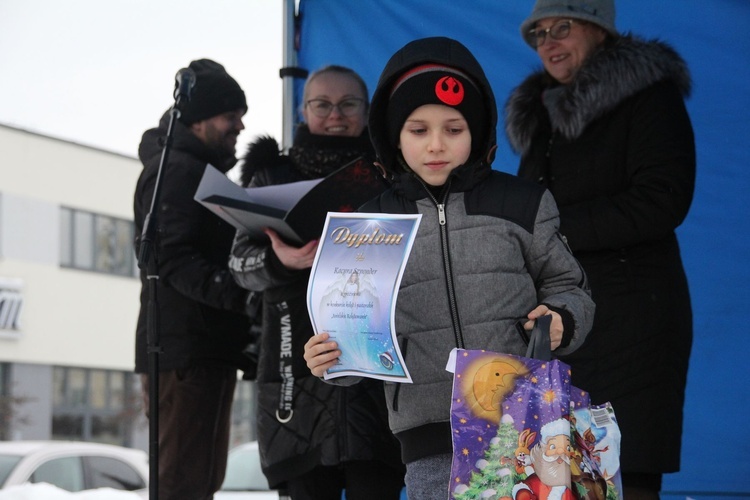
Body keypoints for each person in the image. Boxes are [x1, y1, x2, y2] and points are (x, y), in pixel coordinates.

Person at [304, 37, 595, 499]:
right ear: (394, 136)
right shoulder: (369, 224)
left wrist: (563, 317)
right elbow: (354, 324)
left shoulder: (523, 202)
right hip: (426, 436)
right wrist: (332, 357)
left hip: (523, 427)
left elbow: (568, 284)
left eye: (453, 129)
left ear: (476, 133)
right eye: (418, 130)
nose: (436, 145)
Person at [504, 1, 696, 498]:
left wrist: (553, 232)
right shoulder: (541, 115)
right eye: (537, 33)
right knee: (555, 478)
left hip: (636, 318)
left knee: (624, 475)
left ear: (600, 30)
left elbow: (662, 199)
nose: (548, 41)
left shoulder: (648, 95)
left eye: (561, 27)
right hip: (565, 324)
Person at [228, 65, 405, 500]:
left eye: (348, 104)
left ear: (366, 111)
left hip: (375, 369)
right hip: (294, 371)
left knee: (376, 477)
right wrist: (280, 259)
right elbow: (238, 264)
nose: (335, 115)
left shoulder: (393, 176)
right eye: (322, 104)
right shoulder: (270, 176)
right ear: (303, 110)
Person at [133, 58, 258, 500]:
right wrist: (240, 293)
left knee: (197, 479)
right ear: (201, 117)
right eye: (231, 116)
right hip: (186, 353)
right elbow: (168, 259)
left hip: (199, 350)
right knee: (184, 482)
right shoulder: (177, 171)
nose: (240, 126)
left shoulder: (197, 173)